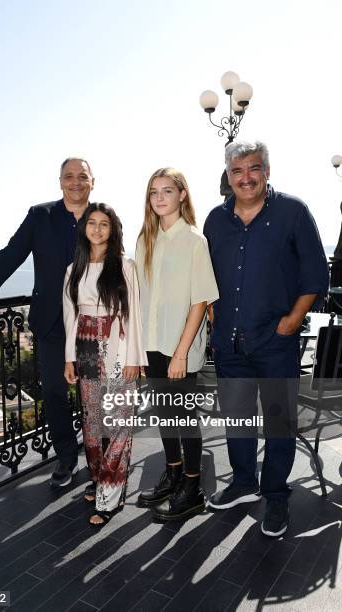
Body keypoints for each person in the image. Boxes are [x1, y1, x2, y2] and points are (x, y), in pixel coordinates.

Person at [203, 140, 329, 537]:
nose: (246, 177)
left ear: (267, 172)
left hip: (275, 340)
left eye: (253, 168)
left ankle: (275, 495)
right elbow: (204, 276)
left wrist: (293, 320)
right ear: (228, 176)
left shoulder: (293, 212)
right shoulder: (214, 220)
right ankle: (243, 483)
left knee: (278, 424)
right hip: (229, 341)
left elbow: (315, 274)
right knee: (237, 418)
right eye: (237, 170)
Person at [0, 157, 95, 488]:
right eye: (68, 176)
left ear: (92, 181)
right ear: (60, 182)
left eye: (81, 176)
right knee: (55, 392)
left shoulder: (102, 215)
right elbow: (12, 254)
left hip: (92, 322)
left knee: (93, 392)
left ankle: (97, 451)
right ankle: (67, 457)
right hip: (52, 321)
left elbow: (114, 264)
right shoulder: (40, 215)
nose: (75, 182)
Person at [135, 168, 219, 521]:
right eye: (154, 191)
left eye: (167, 191)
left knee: (184, 418)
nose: (159, 198)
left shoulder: (195, 241)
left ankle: (193, 487)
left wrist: (181, 353)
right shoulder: (145, 239)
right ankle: (172, 473)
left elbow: (200, 302)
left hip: (179, 348)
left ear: (182, 195)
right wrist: (139, 348)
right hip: (152, 344)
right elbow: (139, 296)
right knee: (164, 414)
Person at [63, 203, 147, 526]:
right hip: (84, 347)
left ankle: (110, 496)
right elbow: (71, 316)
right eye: (92, 223)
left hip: (118, 345)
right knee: (93, 422)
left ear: (113, 231)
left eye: (104, 225)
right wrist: (69, 358)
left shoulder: (125, 266)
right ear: (84, 228)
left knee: (119, 422)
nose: (97, 229)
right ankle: (99, 478)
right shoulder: (73, 270)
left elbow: (133, 315)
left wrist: (134, 359)